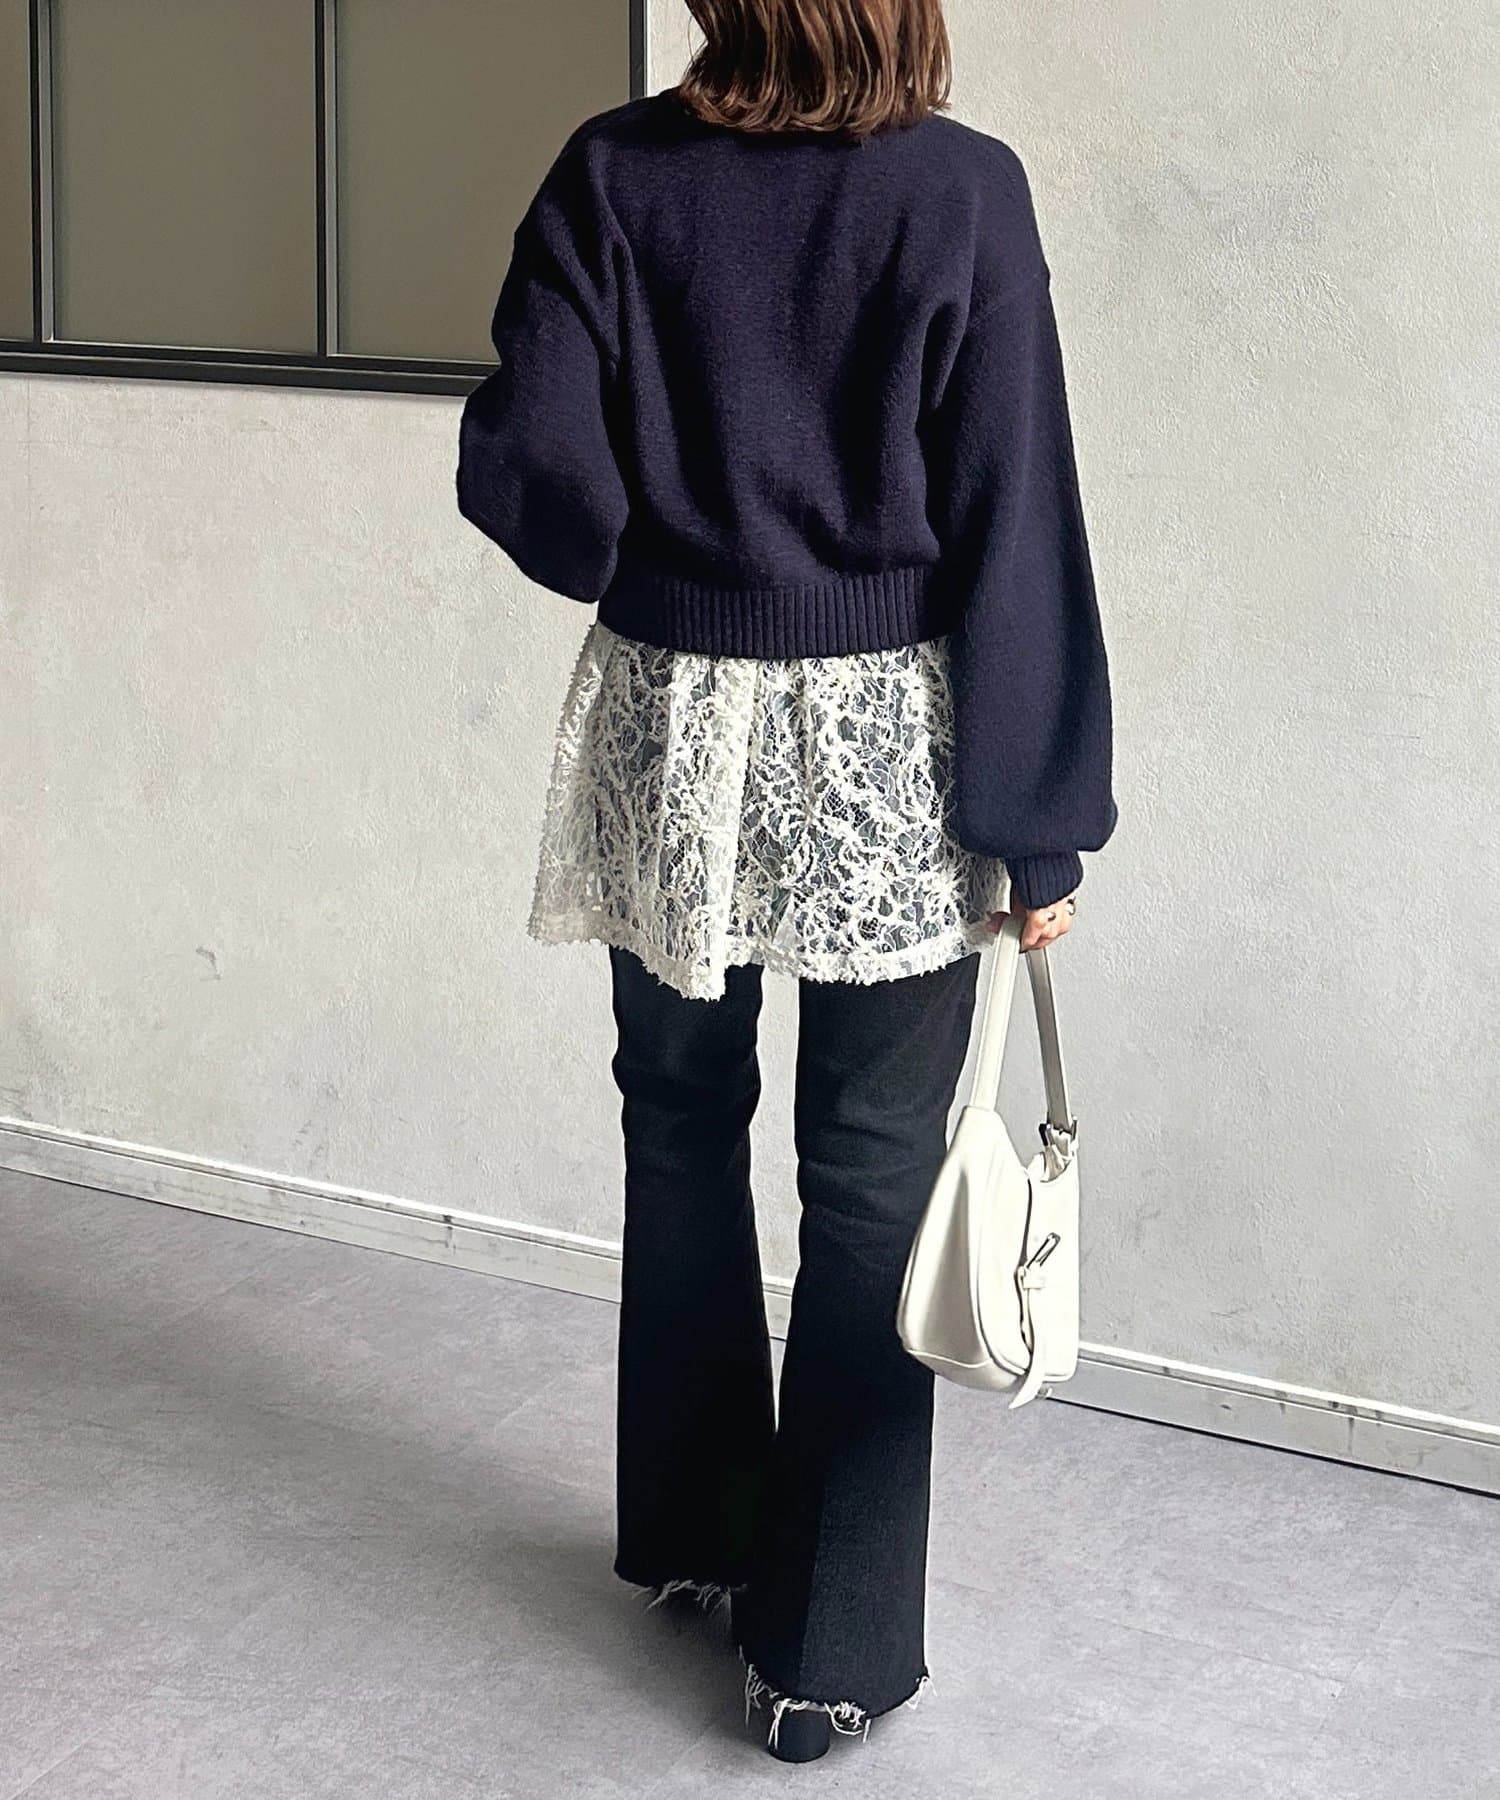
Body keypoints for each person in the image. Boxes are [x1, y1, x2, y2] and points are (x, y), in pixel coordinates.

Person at [456, 0, 1116, 1764]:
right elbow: (1017, 513)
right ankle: (824, 1653)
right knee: (873, 1183)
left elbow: (531, 466)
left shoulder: (614, 174)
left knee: (678, 1126)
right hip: (892, 743)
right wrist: (1039, 822)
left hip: (673, 720)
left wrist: (644, 531)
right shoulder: (964, 192)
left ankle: (691, 1531)